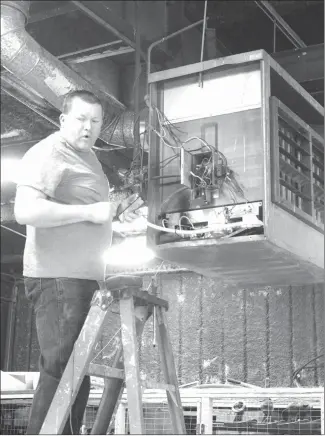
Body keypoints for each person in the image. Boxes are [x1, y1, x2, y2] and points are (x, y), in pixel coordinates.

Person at [14, 90, 143, 434]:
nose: (89, 127)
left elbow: (88, 217)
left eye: (96, 121)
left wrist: (115, 221)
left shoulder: (90, 160)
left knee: (75, 376)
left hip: (83, 279)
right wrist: (91, 211)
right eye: (81, 119)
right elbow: (24, 210)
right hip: (57, 278)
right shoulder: (49, 152)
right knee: (62, 374)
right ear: (63, 120)